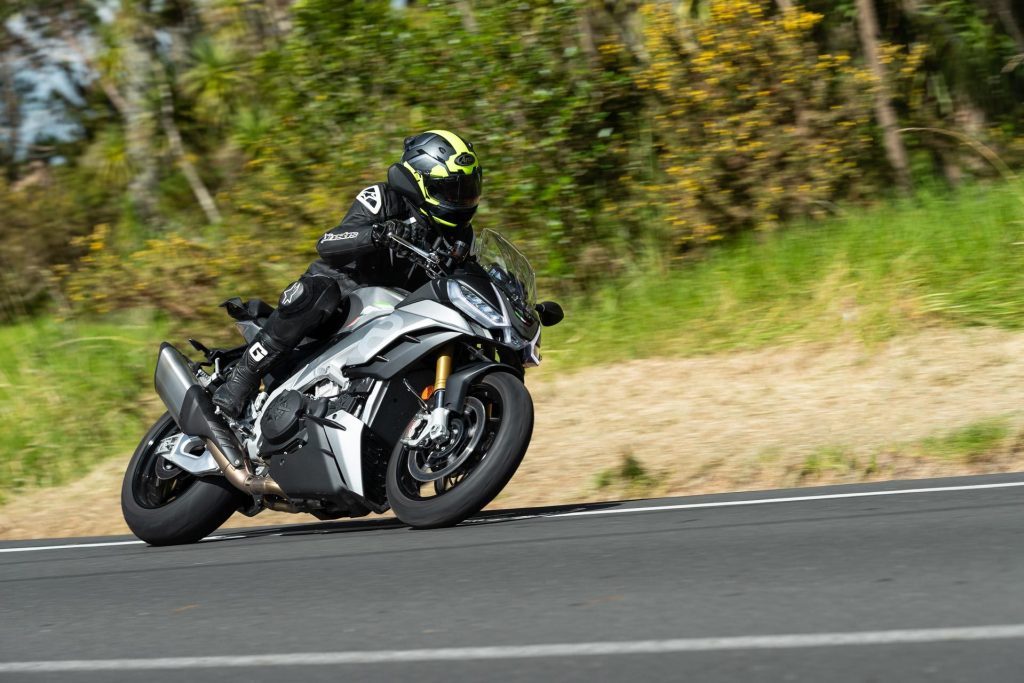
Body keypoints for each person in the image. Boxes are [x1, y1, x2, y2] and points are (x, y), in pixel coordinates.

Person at [212, 129, 483, 418]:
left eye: (468, 189)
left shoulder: (461, 236)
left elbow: (469, 276)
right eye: (452, 189)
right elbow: (328, 241)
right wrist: (378, 234)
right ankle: (242, 378)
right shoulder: (384, 198)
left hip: (393, 319)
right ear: (422, 180)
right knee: (318, 294)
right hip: (342, 303)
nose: (462, 199)